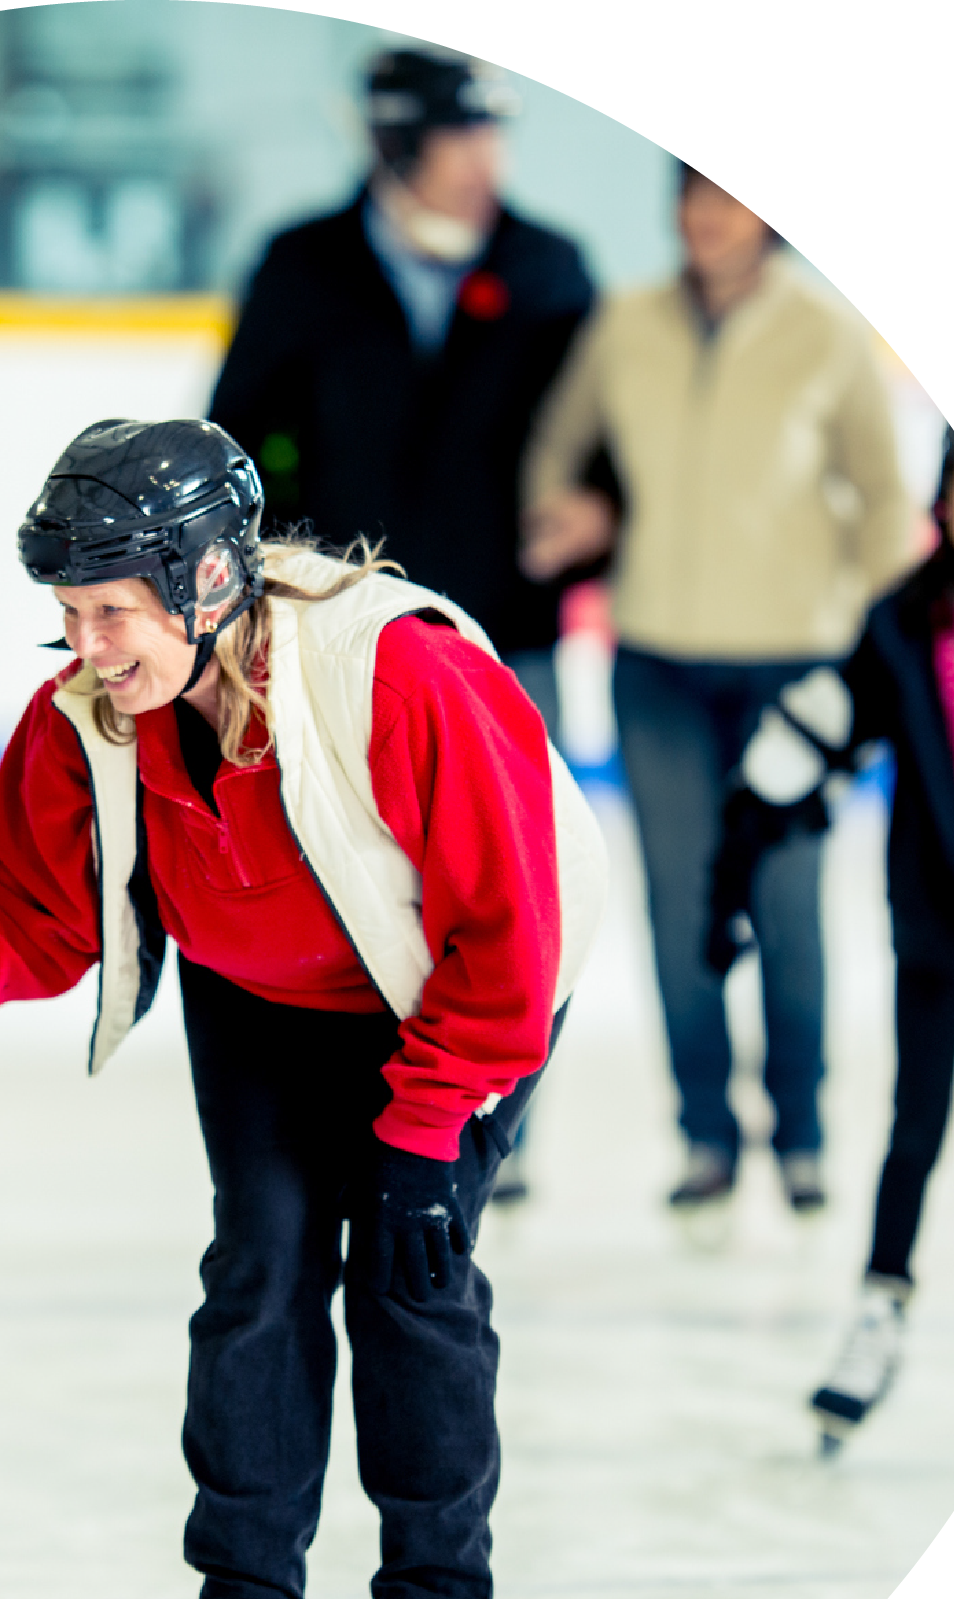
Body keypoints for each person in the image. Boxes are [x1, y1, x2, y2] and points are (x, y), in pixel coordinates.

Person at [0, 419, 608, 1599]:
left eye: (110, 610)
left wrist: (425, 1131)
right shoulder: (91, 715)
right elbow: (21, 903)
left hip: (451, 993)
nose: (85, 645)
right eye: (66, 614)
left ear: (208, 577)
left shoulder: (399, 674)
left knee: (406, 1279)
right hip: (263, 997)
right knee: (259, 1270)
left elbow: (509, 932)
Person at [209, 44, 596, 1205]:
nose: (486, 162)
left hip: (500, 637)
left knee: (508, 878)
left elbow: (601, 439)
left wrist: (598, 512)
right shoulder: (301, 265)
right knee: (350, 867)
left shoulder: (548, 270)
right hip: (335, 641)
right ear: (395, 143)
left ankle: (491, 1113)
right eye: (459, 137)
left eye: (493, 135)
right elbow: (237, 440)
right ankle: (365, 1106)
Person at [522, 164, 917, 1223]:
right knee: (679, 906)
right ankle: (704, 1134)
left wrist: (871, 646)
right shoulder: (626, 324)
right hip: (656, 661)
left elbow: (886, 501)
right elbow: (558, 448)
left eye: (729, 199)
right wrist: (569, 513)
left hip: (795, 667)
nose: (707, 217)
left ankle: (802, 1133)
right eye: (694, 196)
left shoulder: (826, 334)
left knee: (786, 902)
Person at [706, 435, 954, 1452]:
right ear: (943, 500)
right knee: (914, 1125)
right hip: (938, 915)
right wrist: (743, 843)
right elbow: (823, 724)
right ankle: (879, 1309)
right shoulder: (899, 626)